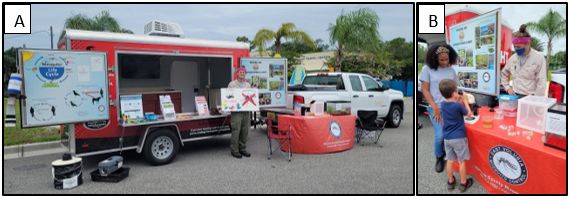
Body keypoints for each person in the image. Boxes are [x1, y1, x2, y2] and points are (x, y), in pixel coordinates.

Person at [420, 44, 459, 173]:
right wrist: (435, 107)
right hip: (435, 107)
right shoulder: (427, 69)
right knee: (440, 135)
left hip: (450, 107)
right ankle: (439, 156)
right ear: (434, 58)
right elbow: (425, 90)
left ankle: (451, 154)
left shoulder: (451, 70)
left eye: (446, 59)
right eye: (441, 60)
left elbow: (455, 89)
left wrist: (457, 99)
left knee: (451, 133)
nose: (444, 62)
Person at [438, 79, 473, 192]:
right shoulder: (458, 106)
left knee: (450, 160)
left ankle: (450, 181)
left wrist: (457, 98)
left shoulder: (442, 104)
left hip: (447, 138)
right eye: (456, 90)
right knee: (461, 161)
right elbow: (469, 114)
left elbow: (451, 105)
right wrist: (466, 101)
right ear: (454, 93)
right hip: (458, 137)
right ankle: (463, 183)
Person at [501, 24, 547, 97]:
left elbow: (541, 83)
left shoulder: (539, 58)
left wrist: (536, 100)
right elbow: (504, 73)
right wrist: (507, 87)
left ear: (528, 43)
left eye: (518, 47)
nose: (516, 49)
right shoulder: (513, 58)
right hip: (515, 95)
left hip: (530, 97)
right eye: (514, 47)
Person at [227, 67, 252, 159]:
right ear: (237, 73)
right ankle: (234, 150)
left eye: (244, 72)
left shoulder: (248, 85)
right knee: (236, 130)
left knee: (245, 131)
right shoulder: (232, 84)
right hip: (236, 112)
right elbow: (228, 97)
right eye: (240, 72)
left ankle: (242, 148)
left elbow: (250, 97)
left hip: (246, 111)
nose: (242, 74)